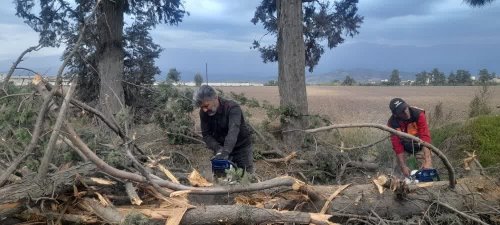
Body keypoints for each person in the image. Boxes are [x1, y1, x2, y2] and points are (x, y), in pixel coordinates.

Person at [194, 85, 254, 174]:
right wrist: (218, 149)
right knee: (222, 176)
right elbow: (206, 135)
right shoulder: (204, 113)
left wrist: (226, 152)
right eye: (202, 107)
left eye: (206, 106)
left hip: (241, 148)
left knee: (246, 176)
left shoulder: (232, 108)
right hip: (220, 148)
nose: (205, 110)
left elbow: (233, 131)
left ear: (215, 98)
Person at [388, 98, 433, 177]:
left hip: (420, 145)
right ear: (395, 114)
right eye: (401, 112)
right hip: (404, 147)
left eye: (405, 108)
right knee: (399, 170)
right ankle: (400, 183)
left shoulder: (418, 114)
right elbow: (397, 146)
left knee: (427, 170)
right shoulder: (392, 123)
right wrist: (403, 165)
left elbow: (425, 137)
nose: (406, 112)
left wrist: (428, 161)